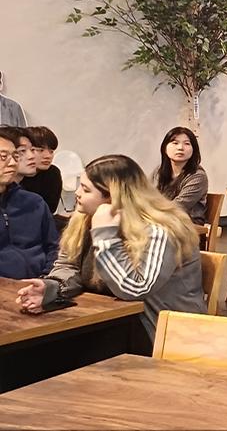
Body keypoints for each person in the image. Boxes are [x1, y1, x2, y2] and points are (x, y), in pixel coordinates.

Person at [16, 155, 204, 348]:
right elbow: (69, 264)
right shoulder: (84, 218)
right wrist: (52, 287)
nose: (78, 193)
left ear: (112, 198)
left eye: (86, 189)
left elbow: (135, 289)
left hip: (159, 334)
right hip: (110, 322)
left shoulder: (159, 230)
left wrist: (106, 235)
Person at [0, 127, 59, 279]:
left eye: (15, 156)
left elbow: (54, 248)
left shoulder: (34, 202)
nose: (12, 163)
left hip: (38, 284)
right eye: (3, 157)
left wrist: (47, 280)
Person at [152, 127, 209, 226]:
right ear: (165, 148)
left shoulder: (198, 176)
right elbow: (148, 195)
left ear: (194, 149)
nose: (180, 148)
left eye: (186, 143)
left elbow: (178, 206)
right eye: (175, 143)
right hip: (162, 221)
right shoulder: (159, 171)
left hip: (187, 226)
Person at [22, 126, 63, 212]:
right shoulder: (14, 174)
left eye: (51, 151)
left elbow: (50, 209)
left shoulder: (53, 173)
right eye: (40, 150)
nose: (48, 156)